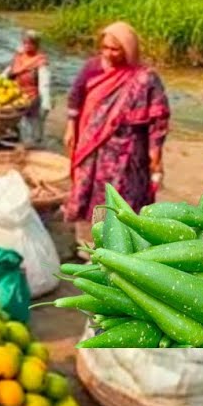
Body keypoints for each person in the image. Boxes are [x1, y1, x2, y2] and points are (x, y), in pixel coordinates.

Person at [63, 21, 170, 248]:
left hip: (128, 151)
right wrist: (71, 126)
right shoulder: (93, 68)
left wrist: (155, 153)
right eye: (105, 47)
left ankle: (120, 243)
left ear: (129, 49)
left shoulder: (145, 78)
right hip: (93, 145)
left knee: (122, 196)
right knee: (90, 193)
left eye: (115, 49)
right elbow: (75, 97)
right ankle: (92, 242)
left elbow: (158, 118)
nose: (108, 54)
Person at [4, 30, 52, 146]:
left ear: (36, 45)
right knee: (14, 122)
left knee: (31, 123)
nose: (27, 46)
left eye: (30, 43)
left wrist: (46, 101)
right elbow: (8, 72)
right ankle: (18, 141)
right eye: (25, 43)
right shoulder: (19, 57)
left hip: (32, 96)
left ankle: (31, 144)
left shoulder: (40, 62)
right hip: (15, 94)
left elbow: (44, 84)